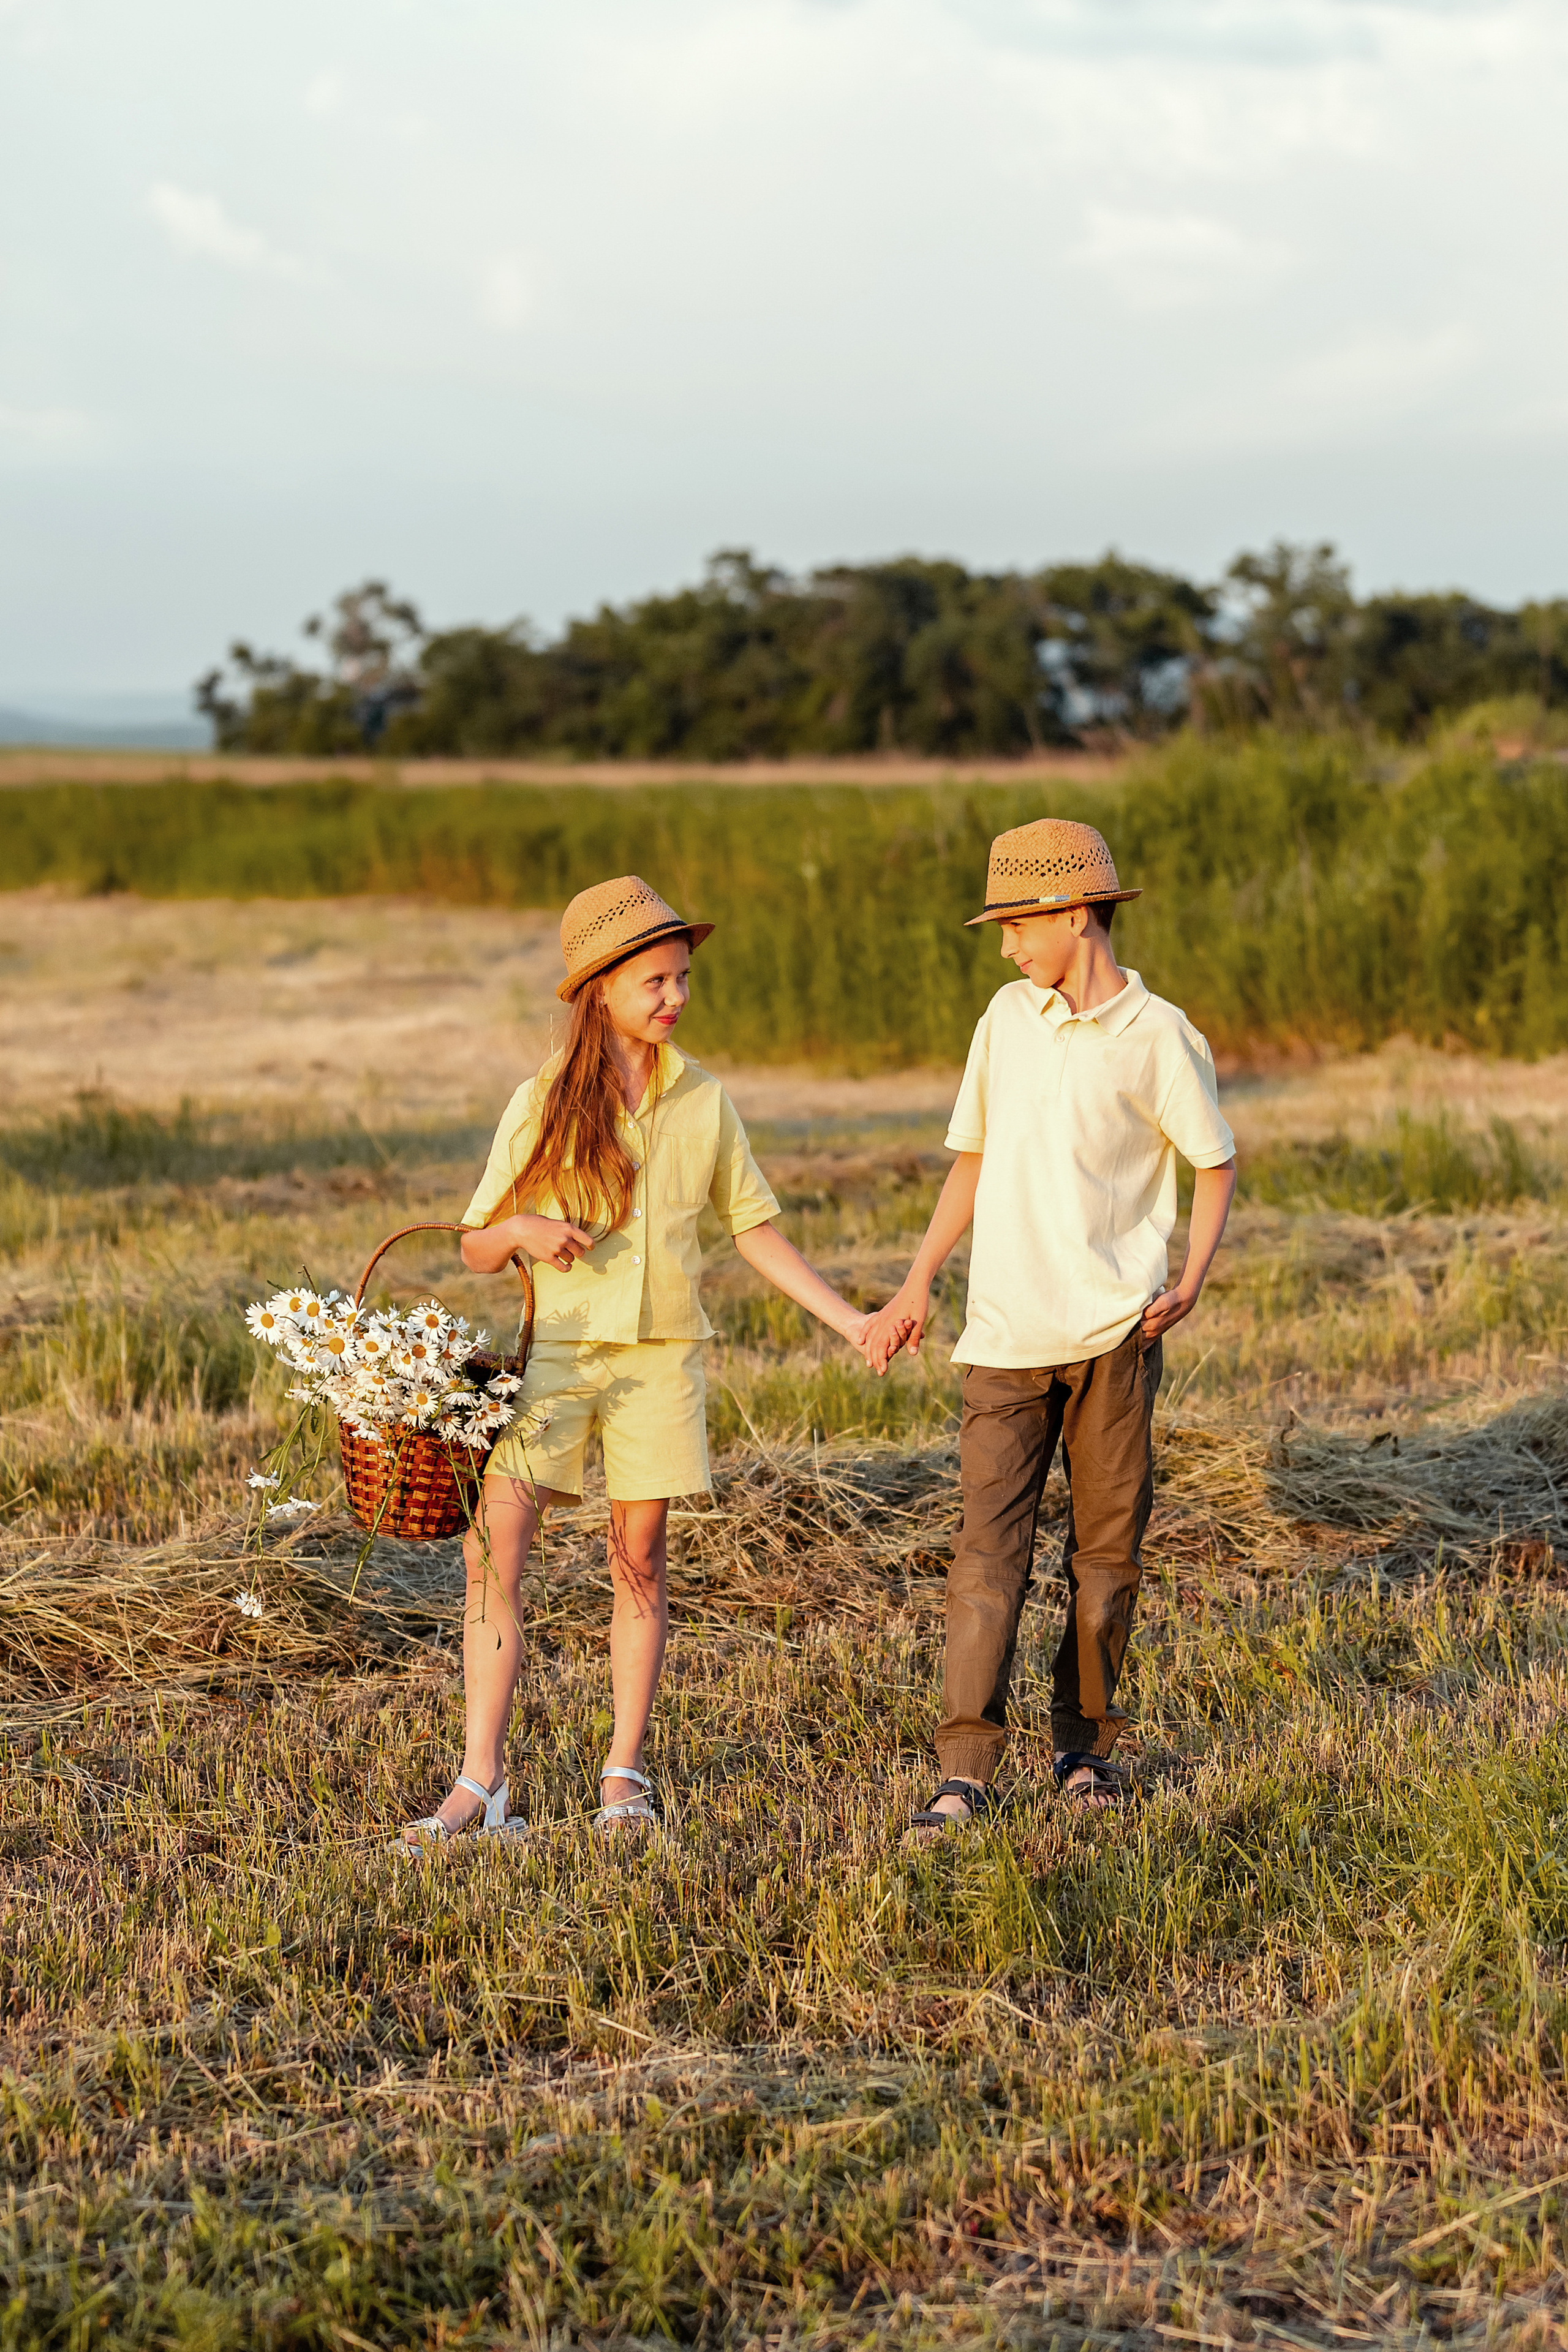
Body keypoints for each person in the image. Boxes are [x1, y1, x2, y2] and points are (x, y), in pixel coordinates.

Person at [395, 875, 891, 1847]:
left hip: (662, 1361)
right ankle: (481, 1785)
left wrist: (851, 1321)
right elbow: (472, 1243)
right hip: (553, 1363)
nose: (676, 999)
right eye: (656, 982)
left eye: (684, 979)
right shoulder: (540, 1101)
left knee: (641, 1563)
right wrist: (524, 1230)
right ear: (601, 990)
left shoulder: (705, 1100)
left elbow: (755, 1232)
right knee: (492, 1563)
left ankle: (624, 1773)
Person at [864, 818, 1237, 1828]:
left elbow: (1214, 1161)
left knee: (1107, 1556)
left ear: (1076, 914)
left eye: (1018, 924)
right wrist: (914, 1284)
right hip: (1003, 1337)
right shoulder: (1005, 1018)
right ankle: (965, 1771)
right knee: (989, 1553)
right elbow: (973, 1159)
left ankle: (1086, 1751)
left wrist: (1190, 1281)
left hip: (1117, 1335)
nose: (1006, 946)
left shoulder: (1160, 1036)